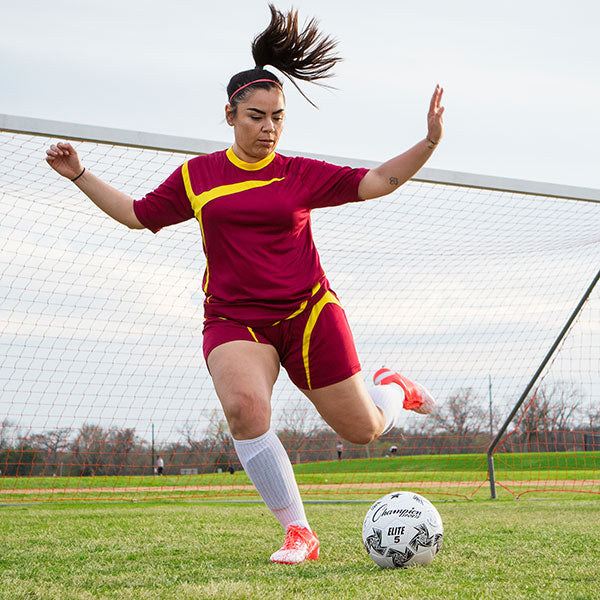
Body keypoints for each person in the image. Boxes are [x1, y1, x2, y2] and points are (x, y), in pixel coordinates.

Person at [45, 4, 443, 565]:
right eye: (256, 116)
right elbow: (137, 215)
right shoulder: (198, 176)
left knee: (364, 431)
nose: (269, 128)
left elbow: (378, 181)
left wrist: (427, 143)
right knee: (245, 409)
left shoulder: (299, 173)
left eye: (278, 117)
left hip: (309, 314)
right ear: (229, 116)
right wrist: (81, 175)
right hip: (235, 318)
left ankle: (393, 389)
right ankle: (299, 532)